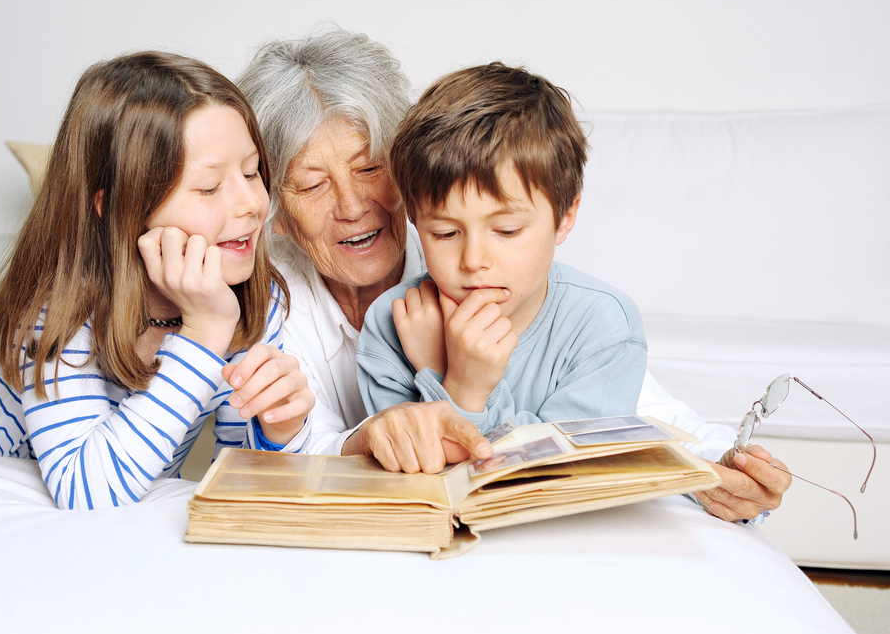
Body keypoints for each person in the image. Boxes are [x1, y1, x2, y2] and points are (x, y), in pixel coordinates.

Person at [238, 27, 788, 524]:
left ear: (404, 179)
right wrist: (453, 386)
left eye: (368, 168)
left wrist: (718, 468)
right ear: (275, 212)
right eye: (312, 185)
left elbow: (621, 420)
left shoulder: (536, 292)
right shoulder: (293, 307)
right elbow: (312, 465)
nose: (353, 204)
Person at [0, 51, 314, 509]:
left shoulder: (252, 297)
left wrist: (280, 431)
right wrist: (202, 335)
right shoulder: (58, 311)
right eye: (209, 187)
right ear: (117, 208)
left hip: (113, 532)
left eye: (252, 172)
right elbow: (85, 493)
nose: (251, 204)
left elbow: (240, 489)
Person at [356, 61, 647, 435]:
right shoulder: (393, 323)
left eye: (507, 231)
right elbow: (414, 479)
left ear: (564, 216)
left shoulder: (604, 326)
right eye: (445, 233)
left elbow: (566, 477)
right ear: (415, 221)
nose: (474, 261)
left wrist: (457, 381)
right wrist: (456, 386)